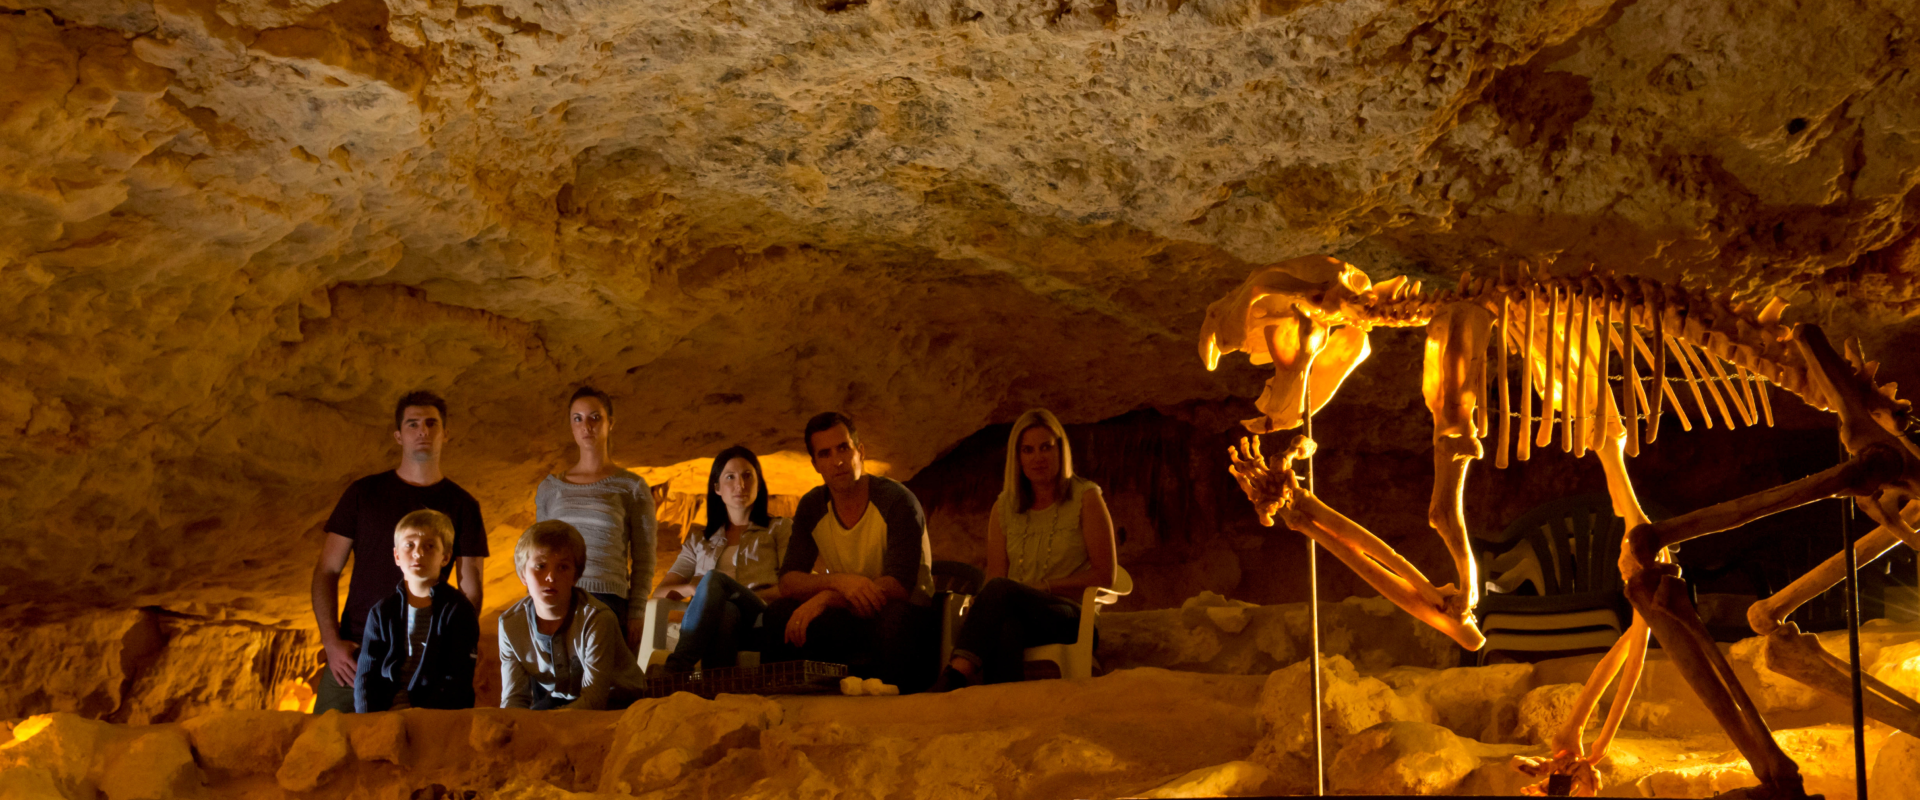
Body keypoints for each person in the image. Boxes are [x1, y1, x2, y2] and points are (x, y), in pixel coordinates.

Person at [311, 391, 489, 714]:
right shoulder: (363, 495)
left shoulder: (463, 506)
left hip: (427, 653)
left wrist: (455, 644)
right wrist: (331, 643)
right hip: (355, 650)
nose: (423, 431)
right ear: (398, 435)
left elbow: (471, 585)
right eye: (413, 424)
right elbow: (326, 570)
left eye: (431, 423)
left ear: (445, 433)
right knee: (325, 745)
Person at [935, 409, 1117, 689]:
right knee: (1007, 625)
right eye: (1028, 450)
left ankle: (956, 675)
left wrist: (1044, 587)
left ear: (1061, 450)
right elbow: (996, 573)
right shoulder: (1004, 508)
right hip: (1016, 610)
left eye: (1046, 447)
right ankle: (1006, 708)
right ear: (1018, 459)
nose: (1038, 457)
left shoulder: (1086, 498)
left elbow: (1105, 576)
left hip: (1071, 616)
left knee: (1001, 591)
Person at [762, 412, 937, 692]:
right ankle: (783, 704)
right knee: (780, 614)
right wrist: (837, 583)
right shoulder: (812, 506)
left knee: (895, 617)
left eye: (844, 448)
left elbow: (899, 586)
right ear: (816, 464)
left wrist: (828, 597)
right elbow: (789, 579)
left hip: (905, 614)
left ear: (860, 451)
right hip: (849, 614)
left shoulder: (897, 501)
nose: (838, 461)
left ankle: (894, 709)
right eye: (825, 454)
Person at [533, 386, 656, 648]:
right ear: (571, 425)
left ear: (610, 423)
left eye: (594, 417)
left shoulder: (630, 487)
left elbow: (644, 557)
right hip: (557, 597)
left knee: (603, 685)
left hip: (608, 600)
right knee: (556, 685)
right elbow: (537, 555)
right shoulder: (550, 489)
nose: (586, 426)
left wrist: (637, 611)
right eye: (577, 418)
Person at [652, 446, 792, 673]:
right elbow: (660, 592)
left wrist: (730, 590)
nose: (741, 485)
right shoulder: (699, 540)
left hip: (760, 618)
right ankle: (718, 693)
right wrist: (693, 588)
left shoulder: (779, 528)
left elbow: (791, 585)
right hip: (720, 622)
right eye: (730, 477)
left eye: (748, 475)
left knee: (716, 580)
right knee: (726, 610)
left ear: (759, 483)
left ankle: (677, 667)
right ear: (717, 487)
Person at [498, 520, 648, 710]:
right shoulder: (510, 625)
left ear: (575, 576)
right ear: (523, 575)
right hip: (565, 700)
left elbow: (595, 699)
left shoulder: (597, 619)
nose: (551, 577)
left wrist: (547, 724)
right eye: (540, 566)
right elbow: (513, 699)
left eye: (562, 567)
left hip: (619, 701)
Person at [354, 509, 480, 712]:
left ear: (445, 557)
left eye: (429, 546)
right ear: (396, 555)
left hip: (437, 716)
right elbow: (367, 674)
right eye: (409, 545)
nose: (418, 553)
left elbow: (457, 676)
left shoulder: (458, 610)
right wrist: (367, 720)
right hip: (385, 714)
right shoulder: (383, 612)